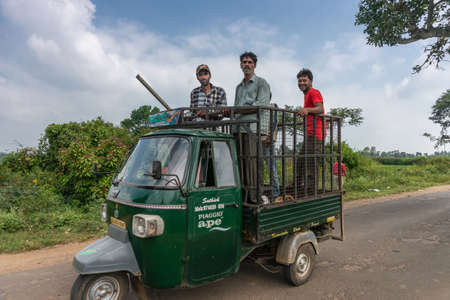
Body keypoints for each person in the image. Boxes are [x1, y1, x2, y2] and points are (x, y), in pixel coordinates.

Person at [234, 51, 271, 203]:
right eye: (244, 62)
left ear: (255, 65)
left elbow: (261, 105)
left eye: (249, 62)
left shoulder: (261, 83)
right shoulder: (238, 87)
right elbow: (236, 108)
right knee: (240, 163)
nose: (247, 64)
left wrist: (239, 110)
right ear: (240, 65)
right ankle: (244, 197)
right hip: (239, 128)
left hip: (253, 130)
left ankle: (256, 198)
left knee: (253, 164)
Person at [296, 68, 326, 194]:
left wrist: (307, 110)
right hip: (309, 134)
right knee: (301, 161)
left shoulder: (314, 92)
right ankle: (297, 185)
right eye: (300, 81)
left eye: (305, 80)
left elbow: (320, 108)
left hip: (316, 134)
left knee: (312, 163)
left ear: (311, 81)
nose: (302, 83)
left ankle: (311, 190)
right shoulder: (307, 95)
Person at [262, 104, 280, 199]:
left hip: (267, 141)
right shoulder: (259, 106)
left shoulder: (272, 106)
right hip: (259, 140)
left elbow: (274, 122)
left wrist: (269, 138)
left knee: (271, 168)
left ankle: (276, 193)